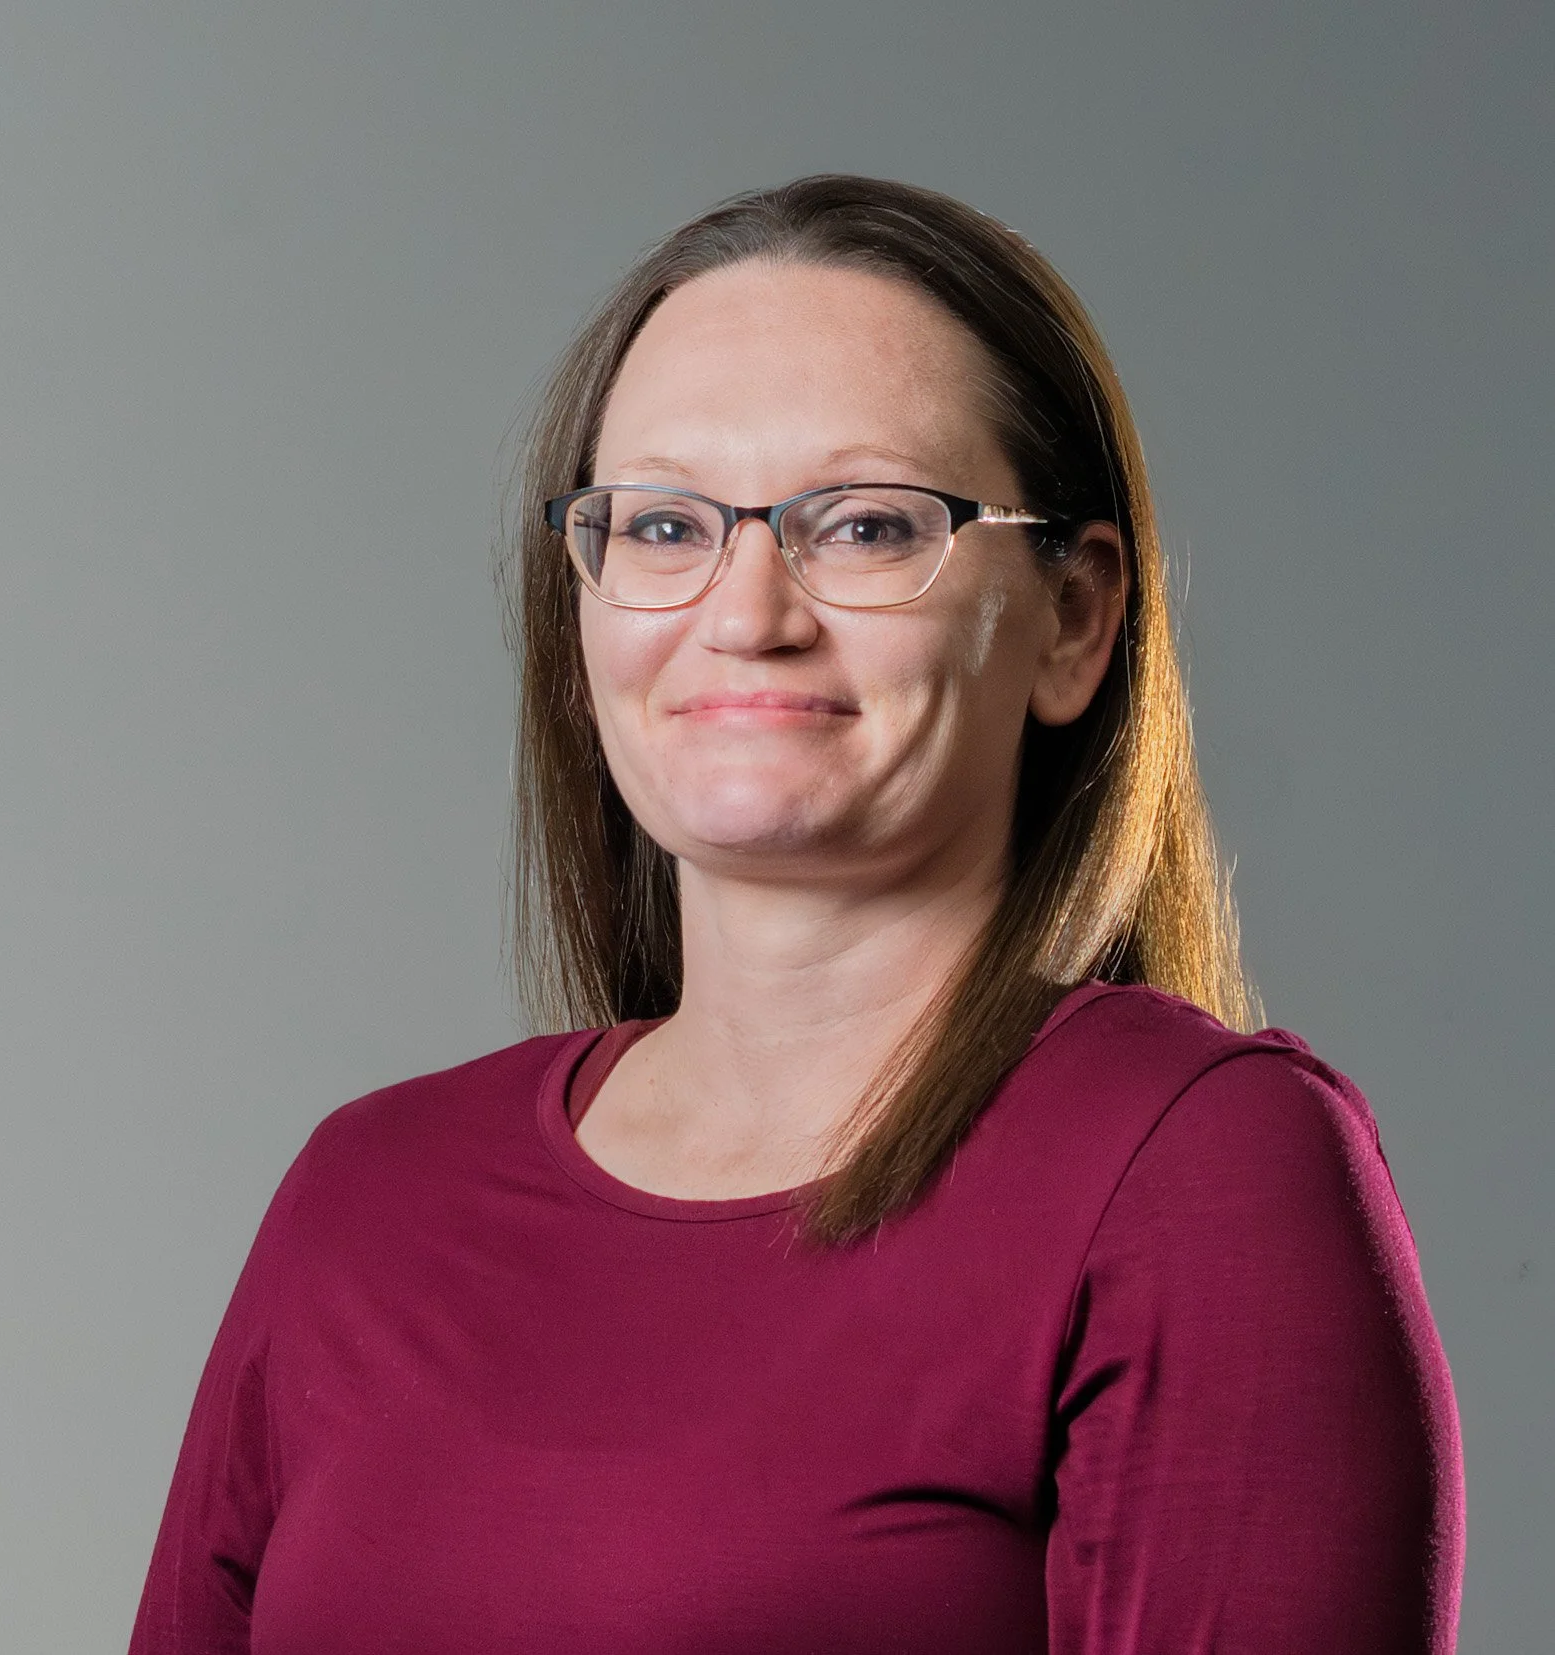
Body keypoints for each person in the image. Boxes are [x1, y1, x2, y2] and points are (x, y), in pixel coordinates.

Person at [127, 176, 1464, 1653]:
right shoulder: (366, 1196)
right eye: (661, 526)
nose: (747, 609)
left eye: (871, 526)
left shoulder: (1198, 1170)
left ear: (1073, 622)